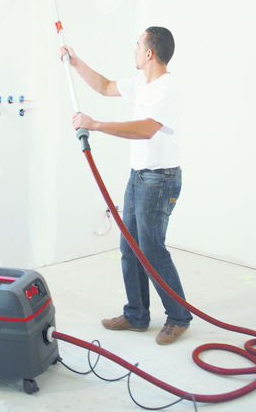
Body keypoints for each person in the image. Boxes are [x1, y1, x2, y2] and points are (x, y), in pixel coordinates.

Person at [59, 26, 192, 345]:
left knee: (151, 249)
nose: (134, 49)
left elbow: (146, 129)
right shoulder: (140, 83)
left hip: (160, 179)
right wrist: (76, 63)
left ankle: (179, 317)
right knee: (129, 247)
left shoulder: (167, 89)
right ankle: (136, 315)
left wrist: (96, 125)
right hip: (139, 176)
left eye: (138, 45)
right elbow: (105, 86)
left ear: (150, 53)